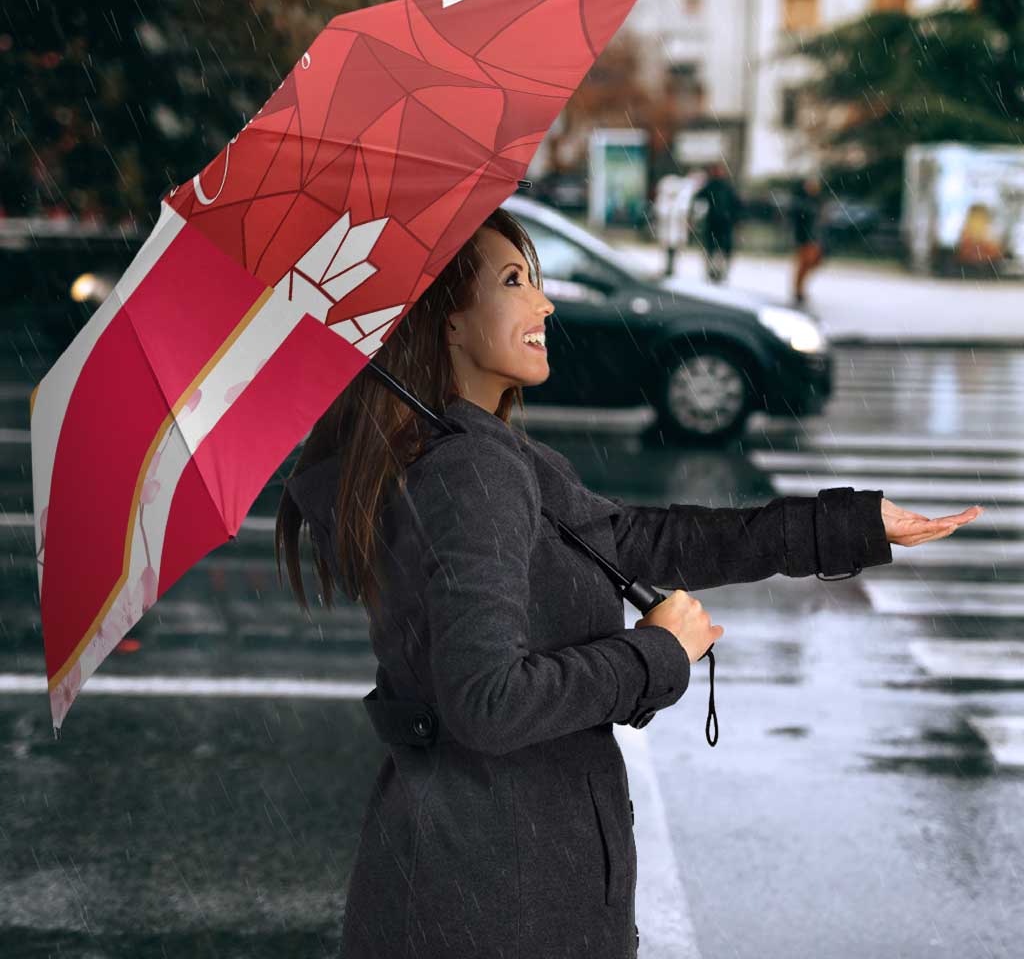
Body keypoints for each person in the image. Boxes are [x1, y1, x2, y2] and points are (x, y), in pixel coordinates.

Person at [276, 206, 981, 959]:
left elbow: (644, 540)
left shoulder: (482, 455)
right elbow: (487, 702)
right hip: (496, 897)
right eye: (514, 281)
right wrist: (654, 654)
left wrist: (850, 525)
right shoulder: (469, 471)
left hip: (480, 878)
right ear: (447, 322)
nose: (544, 303)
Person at [692, 161, 742, 284]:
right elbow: (698, 199)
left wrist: (735, 219)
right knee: (713, 249)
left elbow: (736, 205)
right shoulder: (712, 186)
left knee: (720, 250)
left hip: (723, 223)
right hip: (715, 223)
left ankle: (719, 272)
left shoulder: (725, 187)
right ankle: (713, 272)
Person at [790, 174, 826, 305]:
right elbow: (799, 221)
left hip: (814, 238)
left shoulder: (817, 201)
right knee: (804, 264)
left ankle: (799, 289)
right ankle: (798, 290)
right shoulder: (802, 202)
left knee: (812, 263)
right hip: (805, 238)